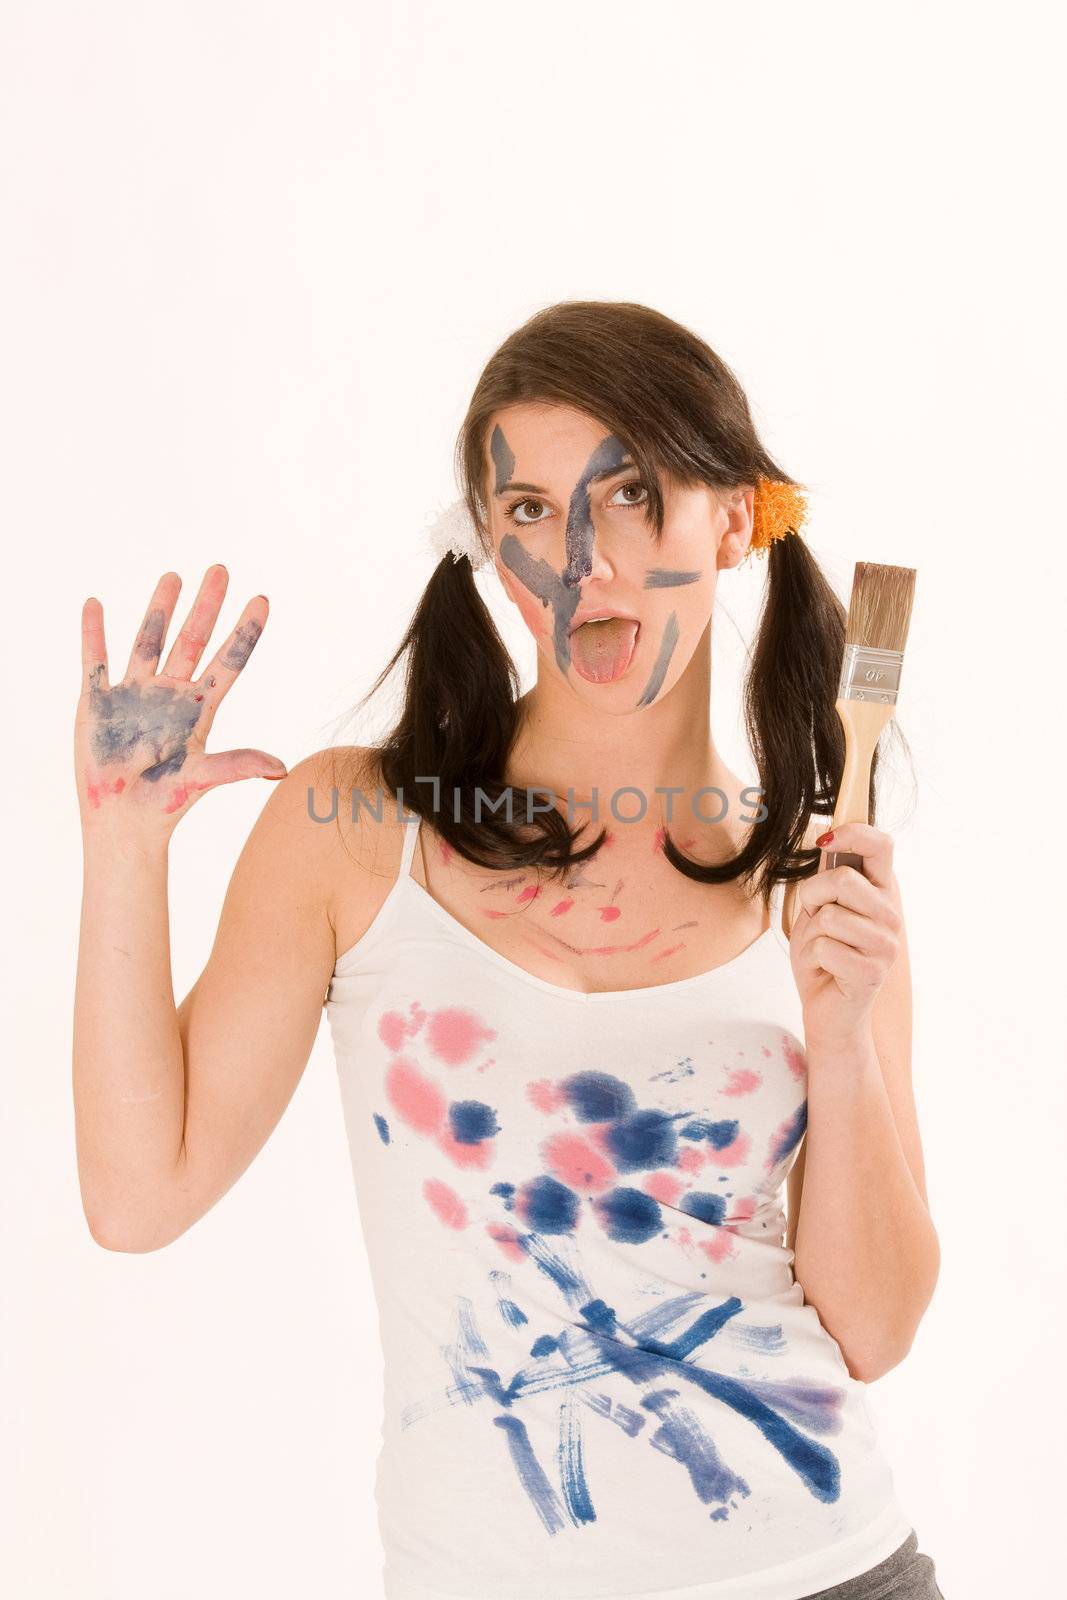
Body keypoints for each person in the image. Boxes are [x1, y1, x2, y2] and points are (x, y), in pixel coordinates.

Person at [73, 301, 944, 1599]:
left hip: (829, 1567)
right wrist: (124, 848)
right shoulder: (359, 832)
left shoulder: (813, 883)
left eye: (635, 490)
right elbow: (140, 1197)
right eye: (531, 509)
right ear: (490, 544)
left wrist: (841, 1033)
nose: (583, 555)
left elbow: (874, 1328)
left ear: (736, 519)